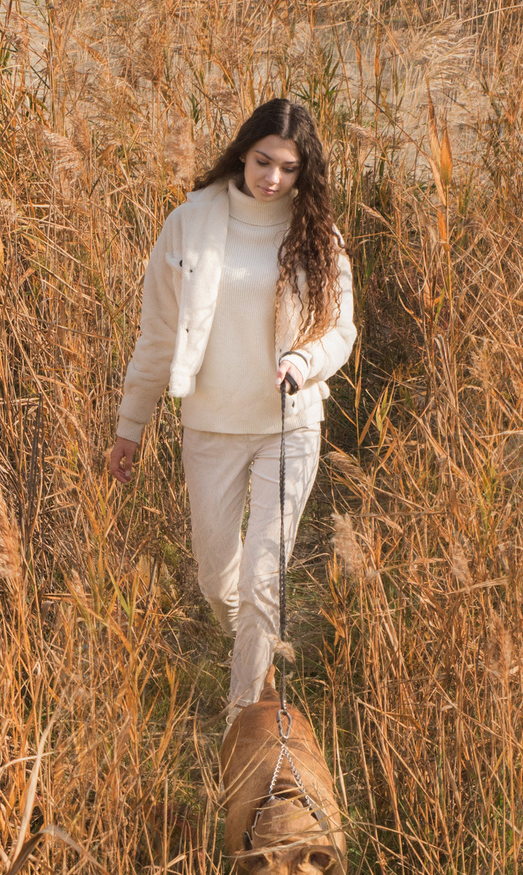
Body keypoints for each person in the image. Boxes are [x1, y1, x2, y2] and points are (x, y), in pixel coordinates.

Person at [107, 97, 355, 728]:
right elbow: (157, 335)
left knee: (263, 575)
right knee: (217, 577)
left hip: (287, 426)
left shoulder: (318, 236)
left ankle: (243, 718)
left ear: (305, 173)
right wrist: (130, 428)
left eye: (289, 168)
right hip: (211, 425)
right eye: (264, 160)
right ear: (243, 152)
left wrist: (303, 362)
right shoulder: (189, 224)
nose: (272, 178)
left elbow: (342, 333)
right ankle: (255, 643)